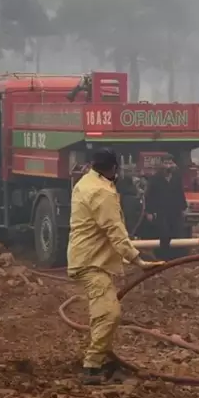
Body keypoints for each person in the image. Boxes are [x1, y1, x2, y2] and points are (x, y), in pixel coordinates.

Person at [67, 148, 165, 385]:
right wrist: (138, 260)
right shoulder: (102, 193)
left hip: (90, 257)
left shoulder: (87, 182)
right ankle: (91, 367)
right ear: (114, 168)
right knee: (110, 314)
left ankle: (104, 359)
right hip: (92, 262)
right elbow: (116, 232)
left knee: (103, 310)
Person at [144, 154, 188, 260]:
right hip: (161, 211)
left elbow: (180, 192)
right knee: (163, 233)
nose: (168, 166)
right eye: (166, 163)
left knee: (177, 232)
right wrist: (149, 212)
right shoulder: (155, 179)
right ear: (161, 164)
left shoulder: (177, 177)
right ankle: (163, 258)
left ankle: (177, 258)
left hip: (175, 210)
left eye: (170, 163)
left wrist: (183, 207)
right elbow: (149, 196)